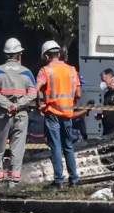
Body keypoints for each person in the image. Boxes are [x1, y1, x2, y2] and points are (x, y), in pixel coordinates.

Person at [0, 38, 36, 187]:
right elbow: (33, 94)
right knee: (17, 149)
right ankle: (13, 181)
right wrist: (17, 105)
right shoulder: (27, 73)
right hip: (20, 115)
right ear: (19, 54)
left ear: (6, 54)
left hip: (2, 115)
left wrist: (7, 105)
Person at [35, 40, 82, 189]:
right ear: (59, 53)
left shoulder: (45, 70)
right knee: (68, 146)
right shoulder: (71, 70)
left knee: (55, 146)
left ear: (47, 56)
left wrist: (38, 104)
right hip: (67, 113)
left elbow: (36, 89)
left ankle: (58, 181)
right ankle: (74, 180)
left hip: (53, 113)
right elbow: (78, 94)